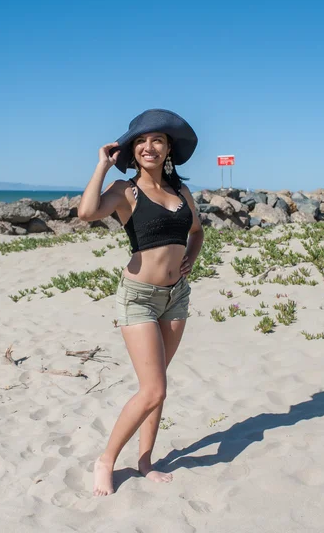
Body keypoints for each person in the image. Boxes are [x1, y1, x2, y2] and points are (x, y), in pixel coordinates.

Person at [78, 108, 204, 496]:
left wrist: (190, 261)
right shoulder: (124, 191)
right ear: (132, 151)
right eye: (142, 141)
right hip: (139, 299)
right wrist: (102, 165)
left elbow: (196, 231)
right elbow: (86, 213)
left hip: (176, 297)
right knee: (153, 389)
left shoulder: (181, 192)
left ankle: (145, 460)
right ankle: (106, 461)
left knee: (158, 384)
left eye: (158, 140)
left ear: (168, 149)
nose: (150, 146)